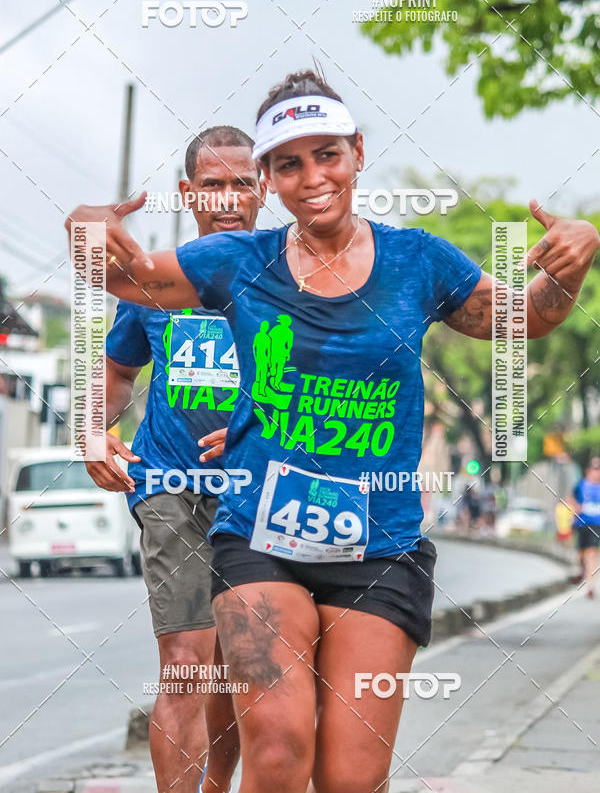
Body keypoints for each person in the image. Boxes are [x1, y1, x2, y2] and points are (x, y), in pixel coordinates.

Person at [66, 68, 600, 793]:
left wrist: (572, 257)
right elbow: (122, 278)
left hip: (379, 546)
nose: (312, 176)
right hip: (258, 537)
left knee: (351, 778)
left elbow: (526, 317)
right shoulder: (235, 262)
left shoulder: (419, 261)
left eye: (327, 154)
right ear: (270, 180)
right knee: (279, 748)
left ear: (355, 152)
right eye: (290, 162)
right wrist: (87, 228)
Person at [83, 125, 265, 793]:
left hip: (259, 492)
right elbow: (116, 370)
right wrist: (93, 431)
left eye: (241, 183)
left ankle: (217, 785)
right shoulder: (158, 282)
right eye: (211, 184)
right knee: (187, 662)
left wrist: (263, 427)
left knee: (241, 667)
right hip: (169, 485)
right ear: (188, 192)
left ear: (264, 188)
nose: (226, 198)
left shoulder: (293, 277)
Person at [569, 456, 600, 598]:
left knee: (592, 553)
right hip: (581, 524)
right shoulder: (581, 485)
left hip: (597, 524)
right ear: (589, 470)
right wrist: (576, 507)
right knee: (582, 555)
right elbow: (570, 499)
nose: (597, 472)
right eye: (595, 468)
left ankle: (590, 586)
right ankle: (583, 571)